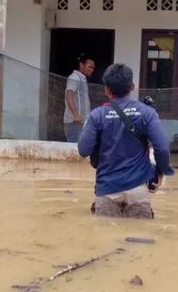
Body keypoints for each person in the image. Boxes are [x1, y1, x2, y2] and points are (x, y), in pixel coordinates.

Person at [77, 63, 172, 219]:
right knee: (141, 239)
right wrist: (159, 172)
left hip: (106, 190)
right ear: (132, 86)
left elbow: (83, 150)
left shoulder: (97, 115)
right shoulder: (147, 113)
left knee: (105, 239)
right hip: (138, 190)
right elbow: (162, 148)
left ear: (106, 89)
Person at [63, 53, 95, 143]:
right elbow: (69, 95)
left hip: (81, 122)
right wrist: (76, 115)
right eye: (90, 67)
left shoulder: (82, 78)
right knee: (75, 149)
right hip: (74, 122)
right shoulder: (75, 77)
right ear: (81, 65)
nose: (92, 70)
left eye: (93, 68)